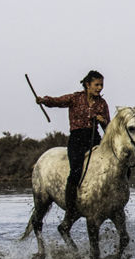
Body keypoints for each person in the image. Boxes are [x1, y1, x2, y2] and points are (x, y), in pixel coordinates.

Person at [37, 70, 111, 219]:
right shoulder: (76, 98)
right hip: (77, 140)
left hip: (94, 139)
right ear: (87, 85)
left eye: (101, 85)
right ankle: (71, 208)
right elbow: (57, 101)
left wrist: (103, 121)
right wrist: (44, 100)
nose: (99, 88)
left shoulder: (102, 104)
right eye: (96, 85)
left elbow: (108, 128)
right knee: (76, 171)